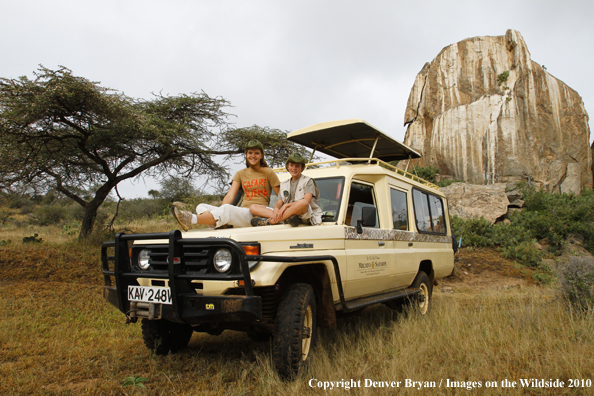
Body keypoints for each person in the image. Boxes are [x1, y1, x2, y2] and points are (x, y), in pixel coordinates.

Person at [171, 140, 281, 231]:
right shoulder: (240, 173)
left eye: (256, 153)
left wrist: (277, 213)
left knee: (227, 210)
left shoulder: (268, 172)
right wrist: (221, 210)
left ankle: (190, 219)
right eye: (250, 153)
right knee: (201, 206)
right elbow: (230, 195)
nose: (253, 156)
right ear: (246, 154)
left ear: (261, 155)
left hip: (256, 214)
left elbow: (281, 197)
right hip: (242, 212)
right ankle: (223, 222)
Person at [250, 153, 322, 227]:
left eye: (297, 166)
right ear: (287, 166)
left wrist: (286, 205)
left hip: (304, 215)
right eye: (291, 165)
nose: (294, 168)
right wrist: (276, 209)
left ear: (302, 168)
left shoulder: (308, 181)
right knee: (253, 207)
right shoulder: (284, 183)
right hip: (286, 213)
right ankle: (286, 219)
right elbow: (279, 202)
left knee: (303, 203)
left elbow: (307, 201)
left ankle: (271, 221)